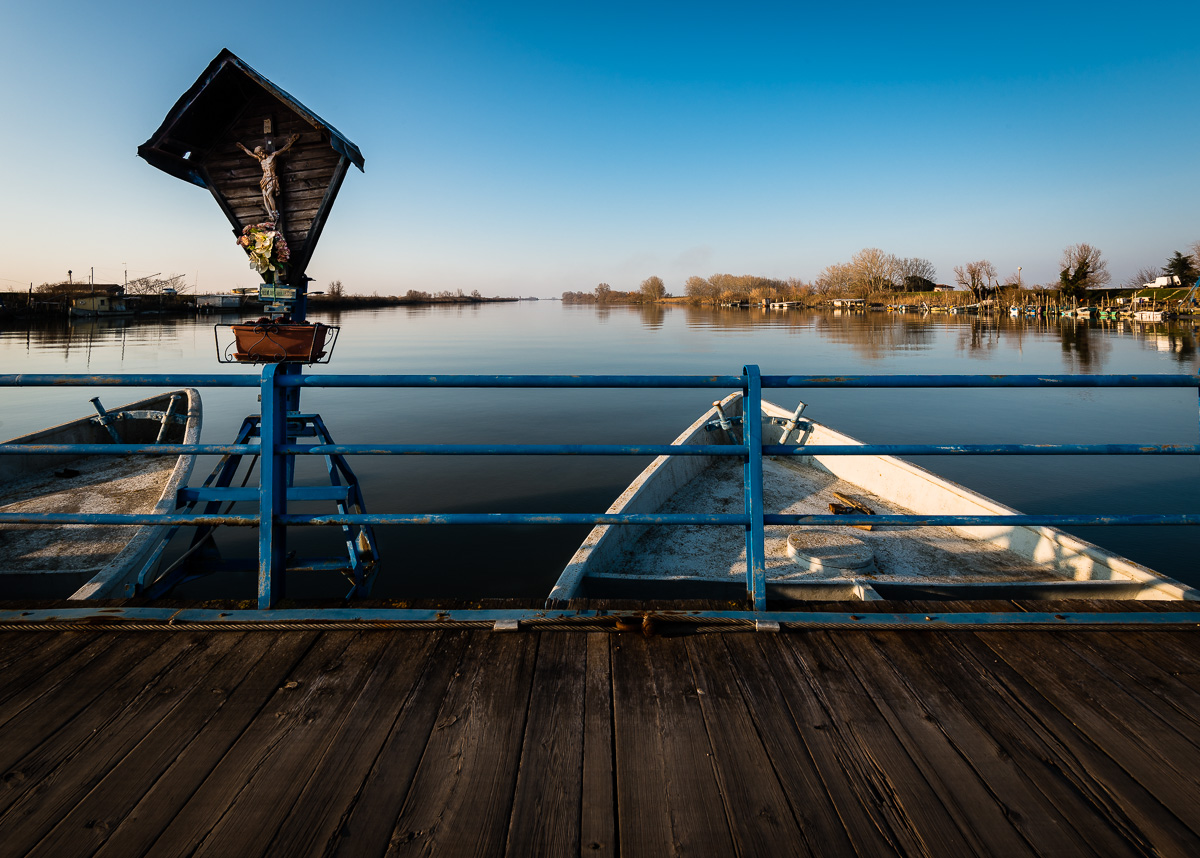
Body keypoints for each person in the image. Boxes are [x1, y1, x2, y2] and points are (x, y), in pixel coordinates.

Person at [236, 133, 300, 221]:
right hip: (264, 179)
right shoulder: (260, 159)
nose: (260, 155)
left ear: (263, 151)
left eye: (260, 153)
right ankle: (270, 214)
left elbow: (284, 149)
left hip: (272, 178)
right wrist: (242, 147)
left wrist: (292, 140)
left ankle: (274, 212)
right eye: (258, 154)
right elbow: (250, 154)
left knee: (269, 194)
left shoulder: (273, 155)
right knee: (264, 197)